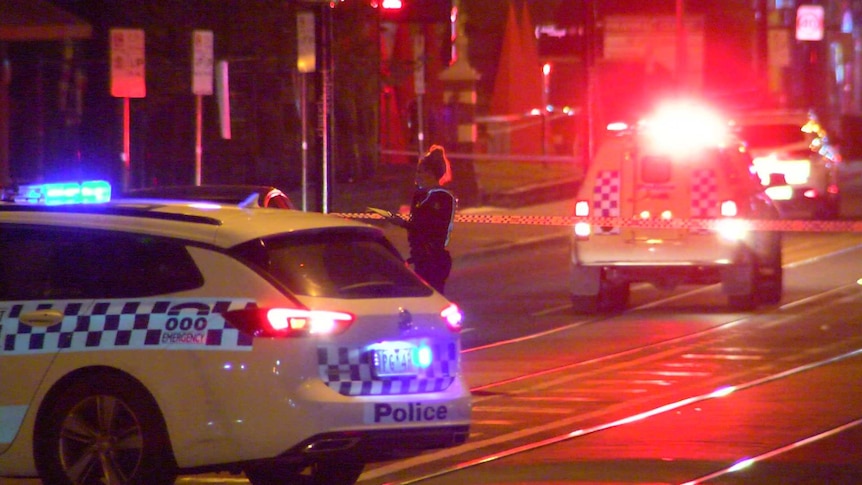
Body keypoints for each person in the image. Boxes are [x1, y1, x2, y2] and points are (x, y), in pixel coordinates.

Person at [378, 145, 456, 294]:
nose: (417, 175)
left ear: (430, 173)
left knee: (430, 297)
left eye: (420, 171)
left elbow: (429, 228)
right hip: (420, 257)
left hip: (433, 259)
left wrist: (403, 223)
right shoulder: (420, 195)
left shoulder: (442, 197)